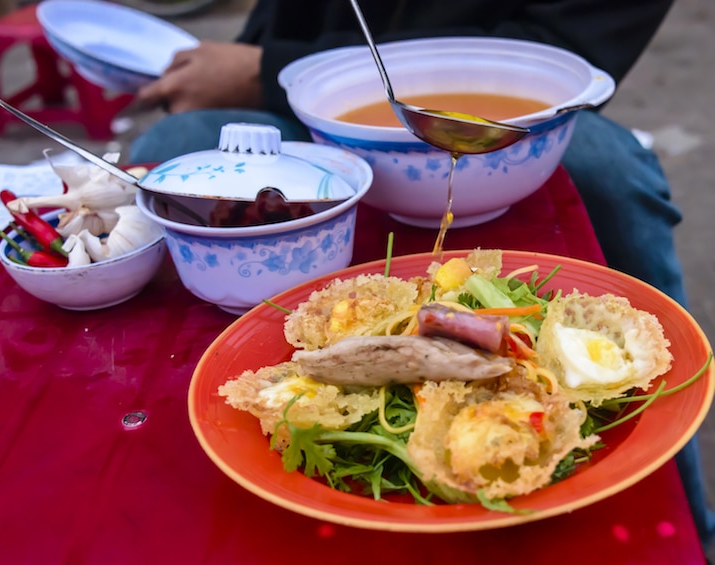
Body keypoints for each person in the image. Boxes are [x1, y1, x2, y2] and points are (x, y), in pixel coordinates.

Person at [130, 0, 715, 549]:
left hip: (516, 99)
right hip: (312, 84)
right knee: (169, 144)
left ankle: (691, 524)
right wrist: (269, 63)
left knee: (614, 172)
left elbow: (577, 32)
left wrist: (263, 66)